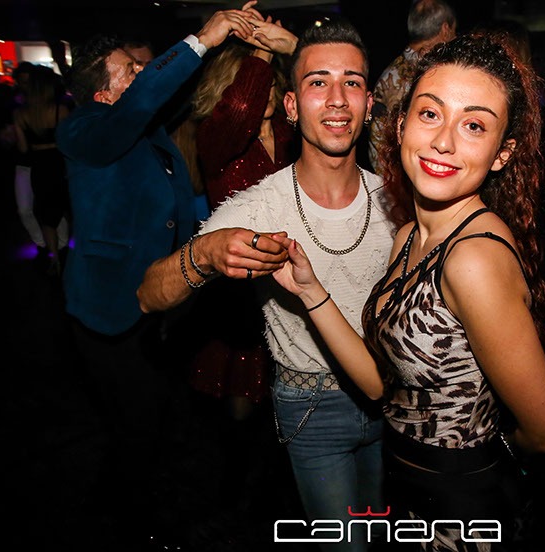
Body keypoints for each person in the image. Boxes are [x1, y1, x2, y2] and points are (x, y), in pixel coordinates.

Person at [268, 32, 545, 551]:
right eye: (430, 114)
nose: (444, 142)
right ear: (400, 125)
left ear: (503, 154)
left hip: (460, 517)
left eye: (474, 125)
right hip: (407, 492)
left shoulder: (472, 259)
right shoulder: (409, 237)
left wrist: (482, 460)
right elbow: (381, 383)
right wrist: (310, 291)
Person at [137, 18, 394, 551]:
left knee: (382, 531)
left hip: (397, 402)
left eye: (351, 82)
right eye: (318, 82)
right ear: (291, 107)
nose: (337, 98)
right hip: (312, 407)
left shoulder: (401, 200)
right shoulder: (259, 205)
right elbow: (149, 294)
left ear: (370, 104)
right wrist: (205, 253)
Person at [54, 2, 263, 536]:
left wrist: (248, 52)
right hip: (107, 309)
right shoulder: (82, 130)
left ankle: (110, 496)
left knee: (141, 417)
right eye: (130, 70)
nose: (142, 73)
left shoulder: (146, 132)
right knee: (138, 421)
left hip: (154, 301)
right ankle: (133, 521)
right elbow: (145, 98)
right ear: (104, 94)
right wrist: (202, 38)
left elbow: (191, 100)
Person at [173, 15, 299, 506]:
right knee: (243, 395)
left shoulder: (289, 133)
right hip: (240, 284)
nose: (265, 88)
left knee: (288, 388)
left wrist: (292, 47)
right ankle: (234, 482)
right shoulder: (217, 137)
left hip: (289, 280)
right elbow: (242, 108)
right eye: (252, 79)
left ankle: (281, 477)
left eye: (271, 81)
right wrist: (262, 50)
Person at [368, 0, 456, 173]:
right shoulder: (425, 76)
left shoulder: (393, 71)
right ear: (446, 29)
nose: (455, 36)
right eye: (455, 30)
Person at [13, 64, 71, 276]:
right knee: (61, 208)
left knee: (46, 213)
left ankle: (54, 258)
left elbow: (22, 148)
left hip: (39, 165)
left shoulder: (21, 114)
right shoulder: (60, 110)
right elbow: (68, 141)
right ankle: (64, 253)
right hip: (58, 162)